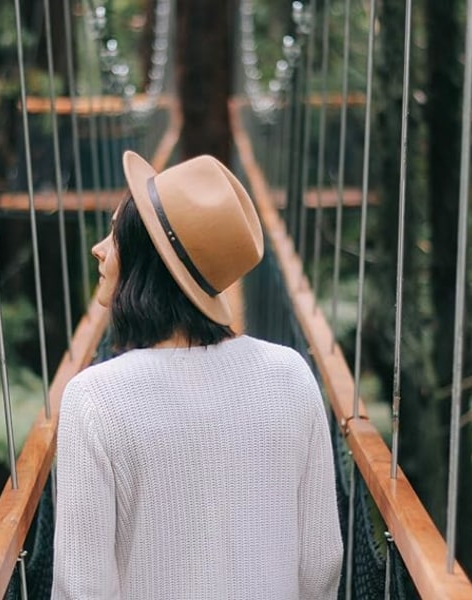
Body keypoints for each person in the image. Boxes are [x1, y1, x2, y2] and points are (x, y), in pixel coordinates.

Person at [51, 151, 343, 599]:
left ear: (146, 258)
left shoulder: (94, 398)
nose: (100, 248)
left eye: (114, 234)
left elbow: (81, 587)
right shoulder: (292, 376)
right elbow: (322, 562)